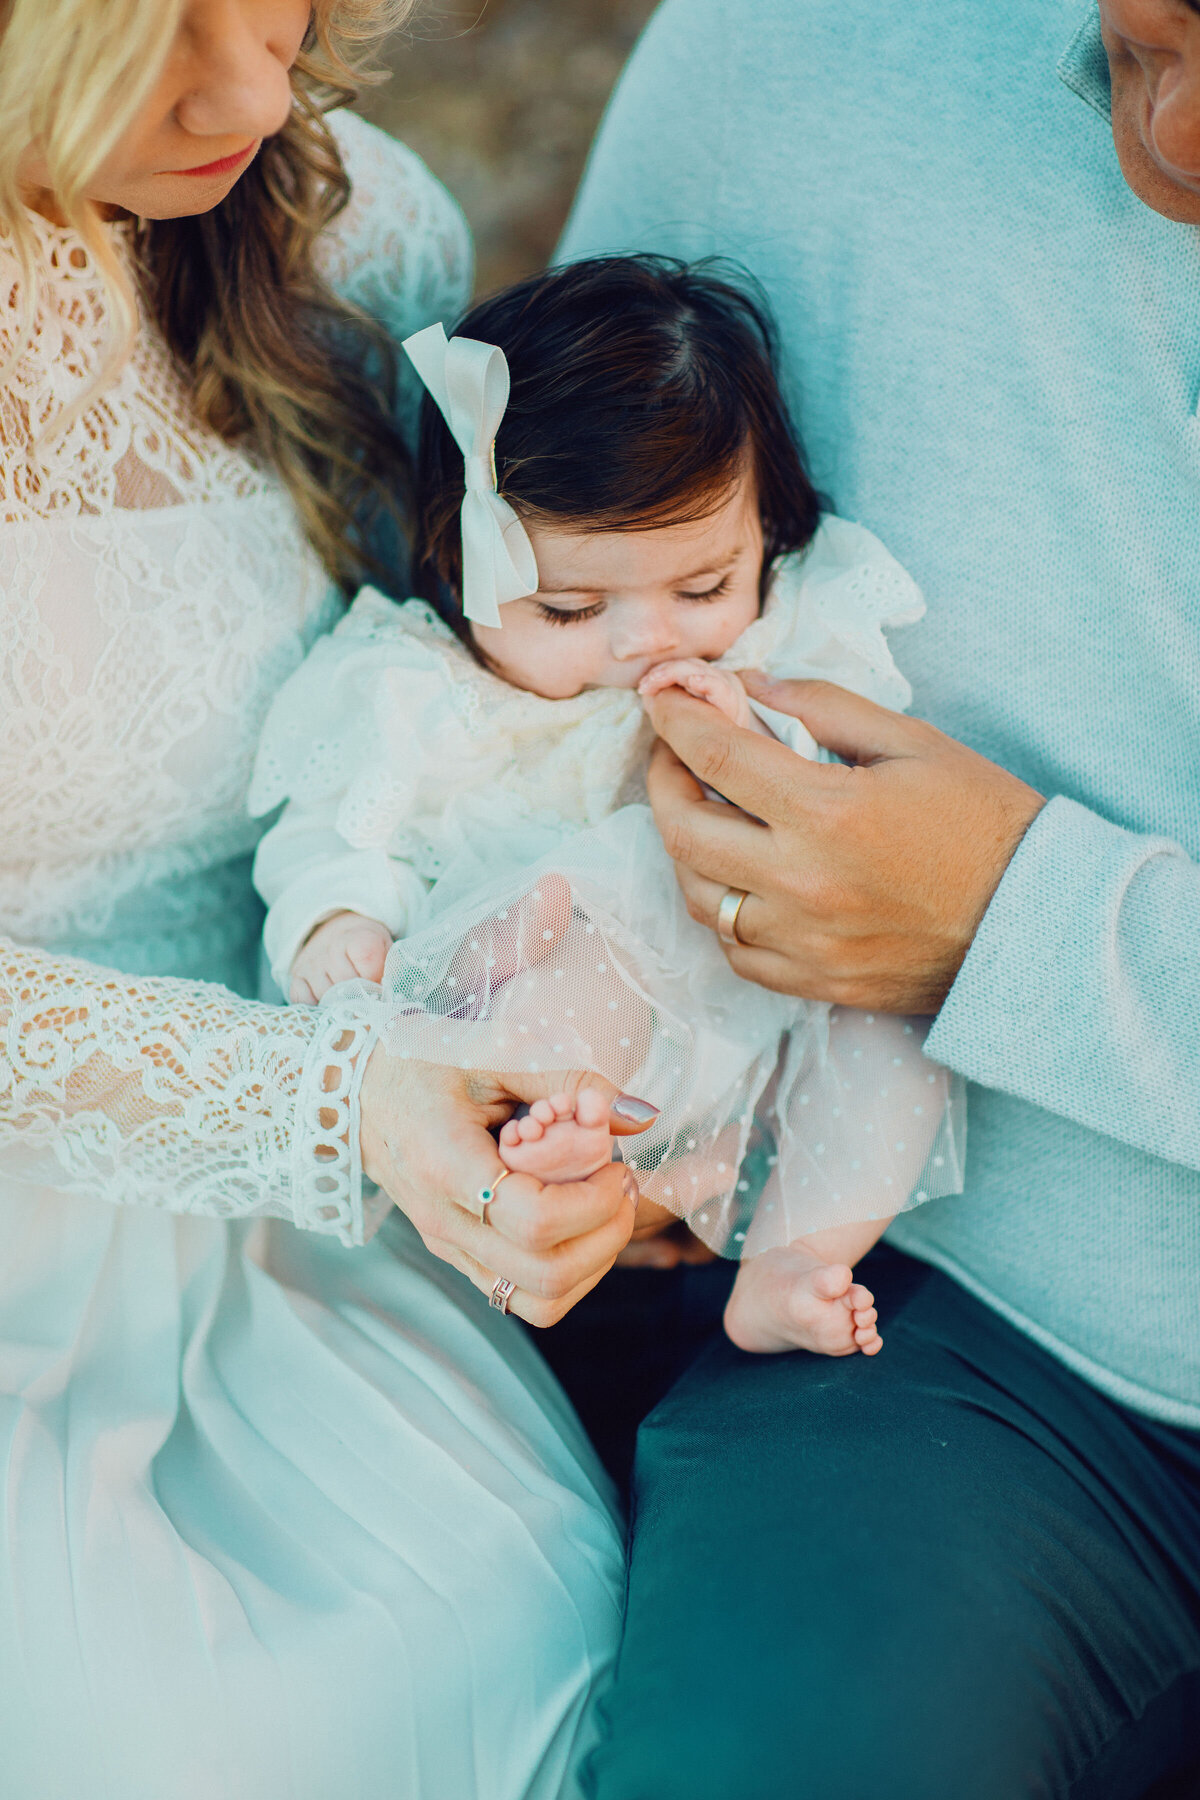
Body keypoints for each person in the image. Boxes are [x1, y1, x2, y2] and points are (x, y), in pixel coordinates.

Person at [0, 4, 649, 1796]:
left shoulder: (367, 231)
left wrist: (555, 1054)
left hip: (305, 1205)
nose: (258, 92)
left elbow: (437, 734)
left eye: (271, 1)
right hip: (141, 1156)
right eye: (148, 34)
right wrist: (321, 1093)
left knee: (527, 1618)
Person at [553, 1, 1200, 1796]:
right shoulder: (784, 46)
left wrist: (1018, 923)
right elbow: (524, 604)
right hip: (938, 1322)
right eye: (1163, 27)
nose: (1187, 133)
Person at [249, 255, 964, 1359]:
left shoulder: (783, 644)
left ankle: (791, 1262)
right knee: (574, 926)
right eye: (572, 607)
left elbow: (845, 802)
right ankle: (554, 1154)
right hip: (521, 1012)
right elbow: (344, 826)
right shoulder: (425, 692)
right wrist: (334, 919)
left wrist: (754, 729)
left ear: (767, 532)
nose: (647, 641)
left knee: (902, 1026)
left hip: (758, 1031)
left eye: (703, 587)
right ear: (456, 562)